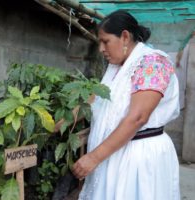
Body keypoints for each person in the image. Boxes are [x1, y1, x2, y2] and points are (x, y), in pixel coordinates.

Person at [71, 10, 180, 200]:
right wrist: (52, 125)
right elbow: (94, 102)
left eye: (105, 41)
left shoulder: (152, 62)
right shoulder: (115, 68)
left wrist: (94, 158)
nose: (101, 49)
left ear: (125, 37)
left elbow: (138, 117)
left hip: (139, 157)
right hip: (113, 153)